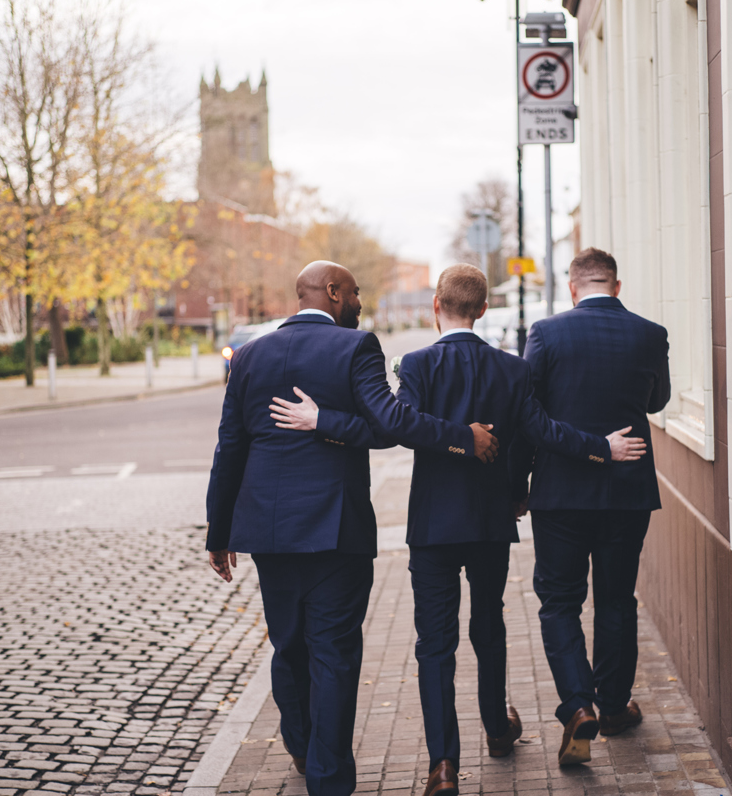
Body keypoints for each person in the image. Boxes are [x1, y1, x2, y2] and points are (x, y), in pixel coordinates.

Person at [270, 264, 647, 795]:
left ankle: (443, 764)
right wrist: (602, 447)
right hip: (491, 524)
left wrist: (325, 421)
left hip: (433, 528)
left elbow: (395, 426)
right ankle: (496, 727)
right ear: (485, 308)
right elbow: (542, 432)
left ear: (435, 306)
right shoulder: (512, 370)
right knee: (489, 628)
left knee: (435, 645)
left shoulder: (419, 366)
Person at [204, 261, 500, 796]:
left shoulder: (248, 357)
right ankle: (328, 778)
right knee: (334, 655)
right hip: (335, 531)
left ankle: (299, 740)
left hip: (267, 533)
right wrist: (463, 437)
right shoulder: (355, 348)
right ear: (333, 292)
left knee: (289, 646)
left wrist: (218, 533)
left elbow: (231, 447)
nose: (360, 302)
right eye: (356, 292)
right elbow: (391, 425)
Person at [510, 248, 671, 766]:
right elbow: (657, 401)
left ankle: (579, 706)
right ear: (616, 286)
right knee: (617, 600)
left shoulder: (547, 334)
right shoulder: (650, 333)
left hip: (561, 493)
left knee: (559, 602)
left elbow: (527, 415)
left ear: (573, 287)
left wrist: (520, 482)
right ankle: (616, 706)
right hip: (627, 491)